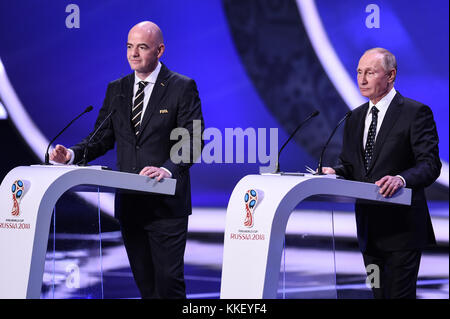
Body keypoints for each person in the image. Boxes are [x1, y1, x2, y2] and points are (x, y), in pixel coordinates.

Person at [50, 21, 204, 299]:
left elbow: (193, 140)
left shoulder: (182, 87)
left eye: (142, 47)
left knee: (168, 285)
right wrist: (70, 154)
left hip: (166, 207)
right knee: (146, 287)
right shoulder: (117, 89)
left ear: (160, 50)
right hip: (131, 205)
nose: (133, 53)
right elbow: (101, 138)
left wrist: (168, 170)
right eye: (130, 47)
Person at [322, 48, 441, 299]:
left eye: (370, 72)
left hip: (402, 231)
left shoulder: (415, 113)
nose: (362, 79)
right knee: (379, 295)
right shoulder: (354, 118)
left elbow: (430, 165)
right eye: (359, 72)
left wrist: (401, 179)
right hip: (369, 231)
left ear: (390, 75)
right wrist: (337, 171)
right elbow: (352, 165)